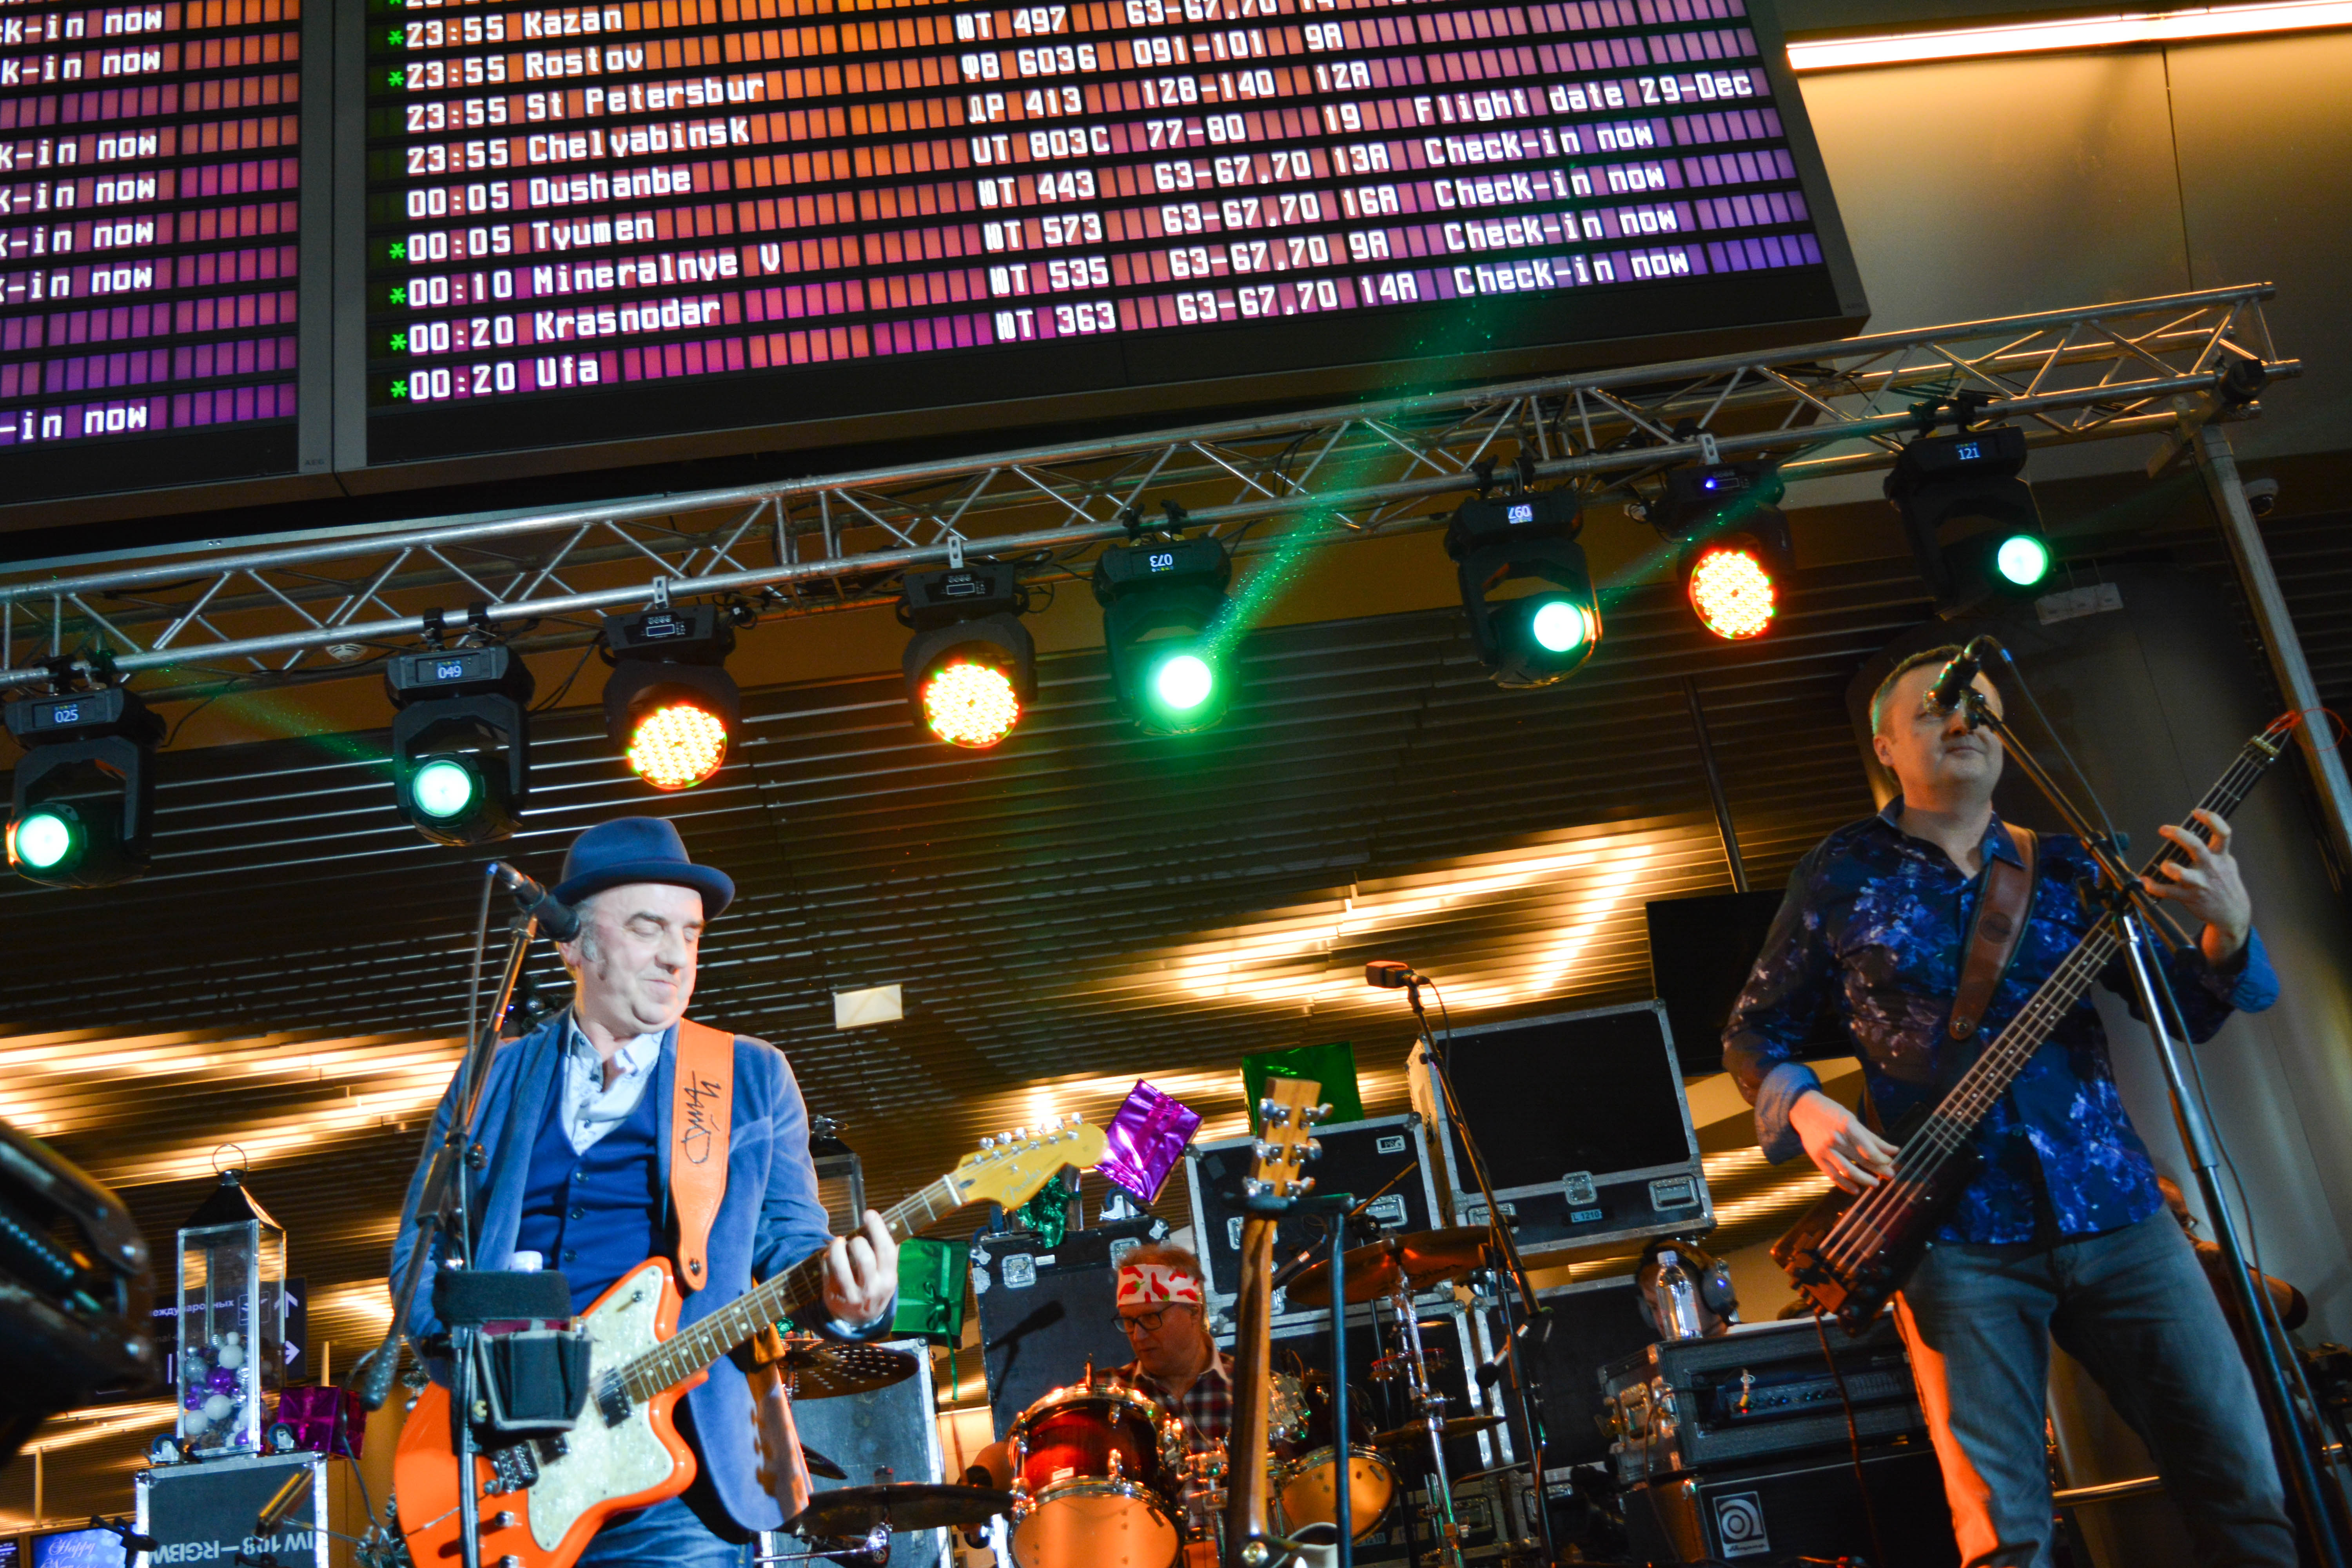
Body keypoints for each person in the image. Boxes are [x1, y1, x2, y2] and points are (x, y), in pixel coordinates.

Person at [1722, 646, 2294, 1568]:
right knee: (2005, 1533)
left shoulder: (2069, 863)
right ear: (1884, 745)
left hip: (2120, 1215)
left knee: (2242, 1482)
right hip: (1953, 1238)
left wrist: (2228, 927)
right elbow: (1754, 1033)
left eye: (1978, 707)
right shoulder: (1840, 871)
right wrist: (1806, 1109)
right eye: (1934, 710)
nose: (1961, 721)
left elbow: (2187, 1009)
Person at [390, 817, 900, 1568]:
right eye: (647, 928)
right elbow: (418, 1258)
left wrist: (854, 1301)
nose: (675, 956)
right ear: (573, 945)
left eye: (690, 934)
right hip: (505, 1467)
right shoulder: (492, 1077)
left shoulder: (749, 1074)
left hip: (678, 1473)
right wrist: (481, 1382)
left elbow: (791, 1245)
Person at [971, 1243, 1234, 1542]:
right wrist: (979, 1479)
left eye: (1151, 1318)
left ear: (1193, 1312)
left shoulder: (1254, 1388)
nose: (1138, 1335)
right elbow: (1019, 1450)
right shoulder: (1106, 1395)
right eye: (1129, 1322)